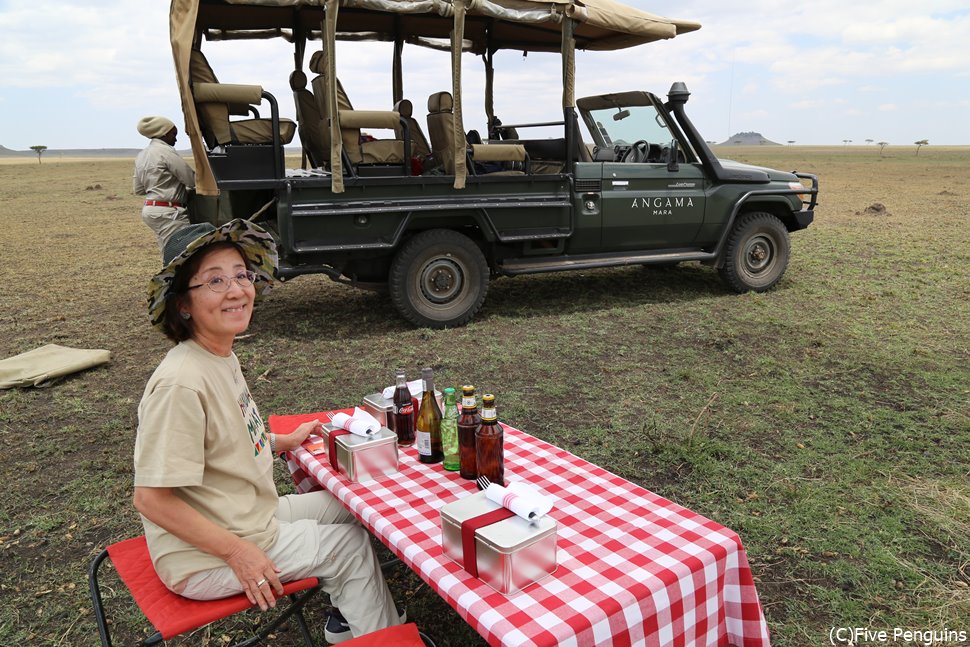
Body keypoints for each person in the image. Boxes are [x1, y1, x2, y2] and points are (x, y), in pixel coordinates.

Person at [134, 219, 401, 643]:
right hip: (204, 554)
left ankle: (349, 620)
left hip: (247, 513)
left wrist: (280, 442)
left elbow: (222, 442)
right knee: (348, 548)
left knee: (360, 508)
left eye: (241, 274)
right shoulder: (180, 384)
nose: (237, 289)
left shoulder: (219, 355)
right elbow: (151, 499)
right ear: (183, 304)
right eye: (215, 280)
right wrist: (237, 553)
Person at [133, 116, 196, 255]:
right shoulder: (166, 152)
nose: (176, 139)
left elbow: (138, 189)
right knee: (181, 253)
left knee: (168, 251)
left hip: (151, 210)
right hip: (169, 212)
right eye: (173, 134)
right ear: (164, 133)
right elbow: (191, 180)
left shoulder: (142, 155)